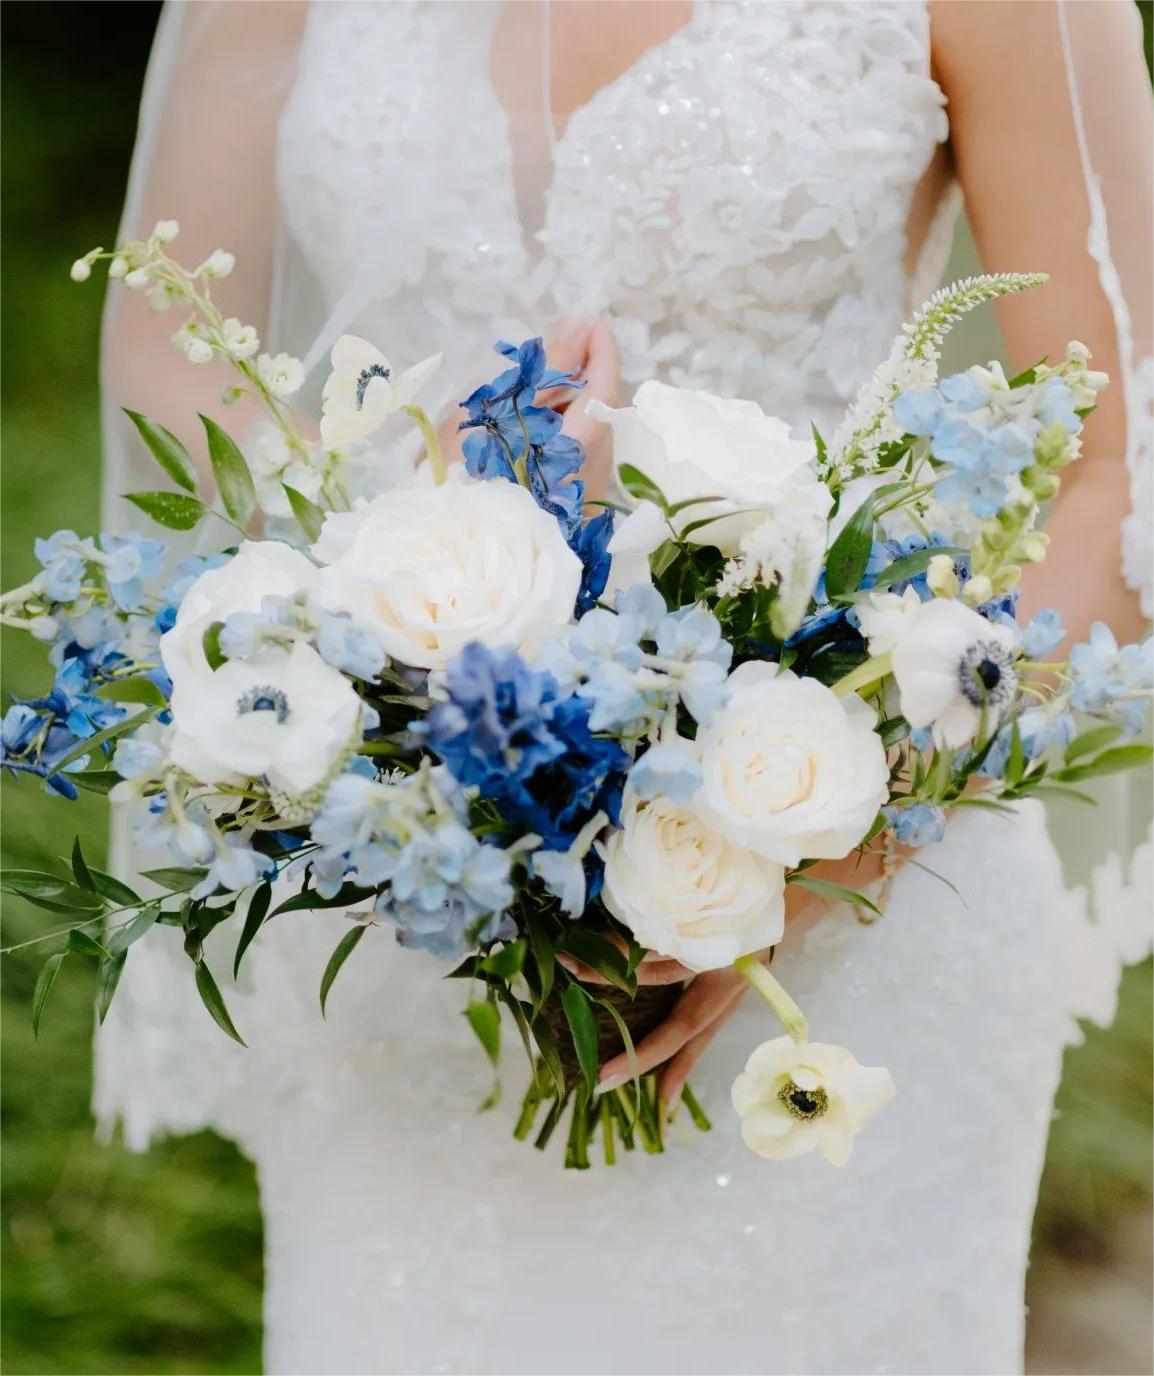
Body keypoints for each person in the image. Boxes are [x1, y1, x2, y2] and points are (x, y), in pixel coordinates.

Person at [96, 3, 1152, 1372]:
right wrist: (427, 570)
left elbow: (1119, 452)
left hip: (841, 900)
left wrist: (839, 833)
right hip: (413, 886)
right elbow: (175, 353)